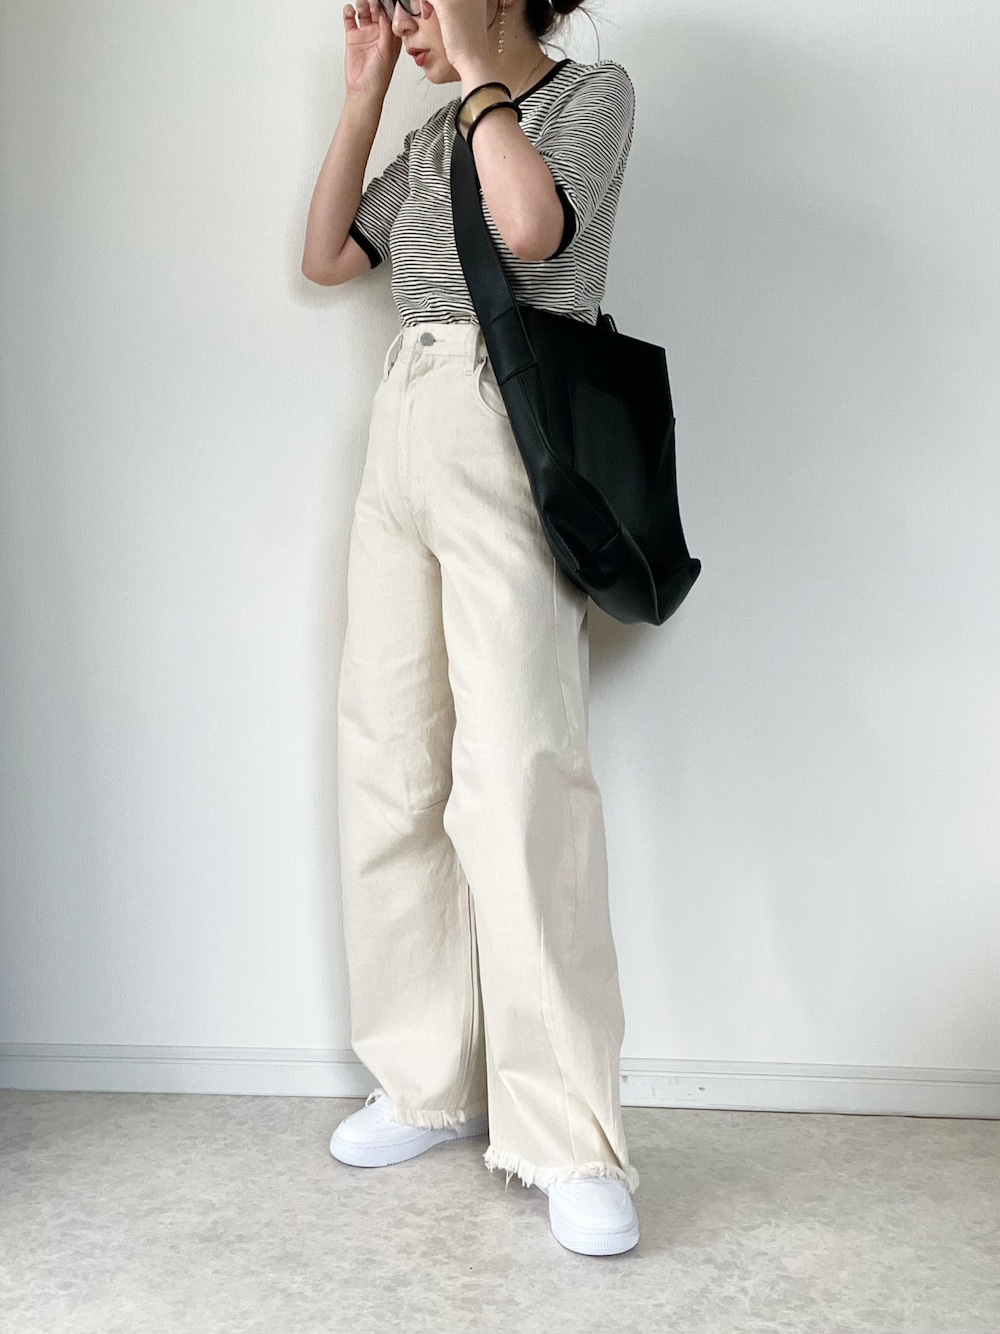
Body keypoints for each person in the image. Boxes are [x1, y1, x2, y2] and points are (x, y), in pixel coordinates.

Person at [301, 0, 639, 1257]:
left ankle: (568, 1137)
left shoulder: (587, 97)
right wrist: (364, 91)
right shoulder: (435, 130)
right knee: (389, 761)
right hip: (403, 419)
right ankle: (424, 1078)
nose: (405, 18)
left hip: (510, 425)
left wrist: (480, 69)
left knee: (520, 773)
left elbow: (535, 230)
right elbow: (329, 255)